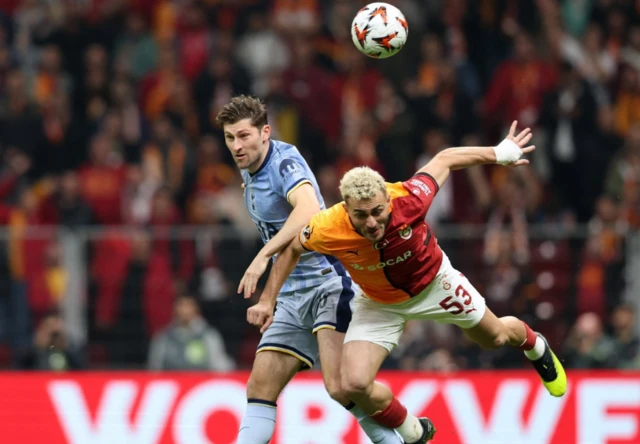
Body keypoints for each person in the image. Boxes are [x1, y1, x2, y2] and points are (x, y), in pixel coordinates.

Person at [253, 121, 567, 444]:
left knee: (496, 337)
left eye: (378, 211)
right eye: (361, 216)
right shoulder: (327, 226)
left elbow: (445, 158)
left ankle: (534, 344)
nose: (372, 222)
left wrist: (498, 153)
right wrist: (268, 299)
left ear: (387, 200)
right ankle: (413, 430)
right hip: (377, 302)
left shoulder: (408, 198)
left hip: (435, 285)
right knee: (354, 384)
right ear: (346, 210)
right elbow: (291, 248)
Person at [215, 95, 406, 444]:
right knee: (259, 386)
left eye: (243, 136)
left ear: (265, 133)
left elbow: (307, 211)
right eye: (230, 138)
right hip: (291, 293)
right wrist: (270, 298)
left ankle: (402, 435)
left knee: (339, 386)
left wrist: (263, 256)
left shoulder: (285, 162)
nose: (236, 146)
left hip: (328, 284)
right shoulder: (249, 169)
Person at [147, 295, 235, 371]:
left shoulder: (209, 336)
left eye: (188, 306)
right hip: (173, 386)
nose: (184, 310)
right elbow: (155, 367)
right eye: (181, 306)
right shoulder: (164, 337)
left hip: (200, 386)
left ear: (196, 309)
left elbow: (219, 365)